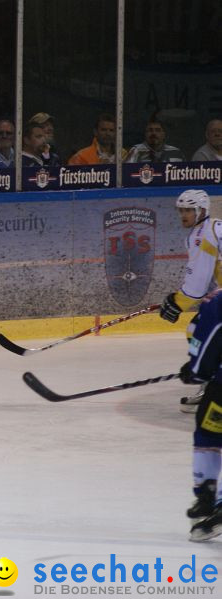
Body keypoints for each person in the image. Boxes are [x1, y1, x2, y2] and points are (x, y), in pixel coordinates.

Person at [159, 189, 219, 413]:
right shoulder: (213, 228)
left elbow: (197, 285)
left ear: (201, 210)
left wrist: (177, 303)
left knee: (198, 331)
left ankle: (212, 389)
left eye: (188, 210)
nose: (183, 215)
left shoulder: (202, 235)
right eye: (181, 210)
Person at [178, 288, 222, 541]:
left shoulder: (217, 301)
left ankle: (206, 495)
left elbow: (210, 338)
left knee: (208, 432)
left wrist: (196, 371)